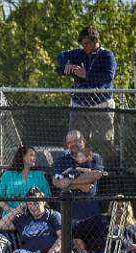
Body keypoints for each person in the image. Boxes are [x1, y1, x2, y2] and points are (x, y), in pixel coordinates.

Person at [56, 26, 117, 161]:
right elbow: (60, 56)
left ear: (95, 40)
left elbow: (108, 77)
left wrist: (86, 75)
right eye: (82, 45)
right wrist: (67, 64)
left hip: (101, 106)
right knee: (76, 140)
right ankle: (77, 169)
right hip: (79, 105)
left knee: (103, 141)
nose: (84, 47)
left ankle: (105, 172)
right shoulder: (79, 53)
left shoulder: (107, 55)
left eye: (86, 44)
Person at [0, 187, 62, 253]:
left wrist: (51, 252)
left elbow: (63, 237)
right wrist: (18, 209)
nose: (32, 207)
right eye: (29, 204)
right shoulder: (24, 218)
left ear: (43, 202)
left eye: (36, 203)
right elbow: (1, 225)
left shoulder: (53, 216)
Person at [52, 130, 104, 222]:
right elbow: (57, 181)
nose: (73, 144)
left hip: (89, 210)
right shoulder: (61, 161)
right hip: (66, 211)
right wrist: (81, 185)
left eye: (76, 141)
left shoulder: (94, 157)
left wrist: (68, 180)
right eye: (69, 142)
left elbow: (96, 175)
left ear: (83, 141)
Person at [0, 146, 51, 216]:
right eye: (31, 155)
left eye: (35, 156)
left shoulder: (39, 175)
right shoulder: (7, 175)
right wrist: (12, 211)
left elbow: (47, 196)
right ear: (23, 157)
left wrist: (36, 209)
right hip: (11, 216)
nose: (35, 158)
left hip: (35, 216)